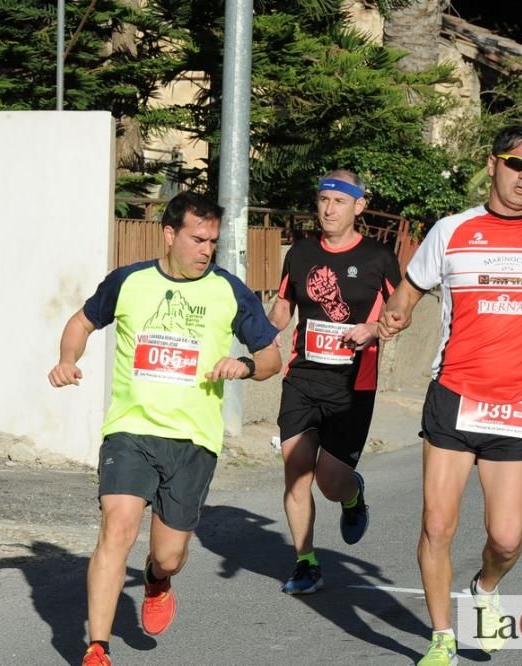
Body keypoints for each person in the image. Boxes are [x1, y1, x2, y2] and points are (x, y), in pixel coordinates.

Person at [378, 125, 522, 664]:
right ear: (492, 164)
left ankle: (486, 588)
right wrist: (394, 317)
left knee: (508, 539)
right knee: (437, 524)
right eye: (517, 164)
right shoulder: (451, 232)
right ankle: (442, 636)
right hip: (454, 395)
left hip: (517, 403)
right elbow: (411, 289)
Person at [48, 191, 281, 666]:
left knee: (170, 554)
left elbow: (273, 356)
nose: (206, 250)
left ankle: (158, 579)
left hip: (193, 440)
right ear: (170, 234)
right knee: (117, 526)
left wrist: (244, 365)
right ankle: (97, 647)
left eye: (212, 242)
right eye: (197, 239)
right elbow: (81, 321)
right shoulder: (128, 281)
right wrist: (67, 359)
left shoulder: (229, 291)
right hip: (131, 432)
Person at [268, 169, 401, 595]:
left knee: (329, 481)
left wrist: (374, 328)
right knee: (296, 472)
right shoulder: (302, 253)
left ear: (358, 206)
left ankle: (351, 496)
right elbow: (282, 309)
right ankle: (305, 561)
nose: (328, 209)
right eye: (323, 199)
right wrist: (257, 331)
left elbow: (402, 312)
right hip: (303, 379)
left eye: (339, 201)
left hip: (352, 387)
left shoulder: (379, 258)